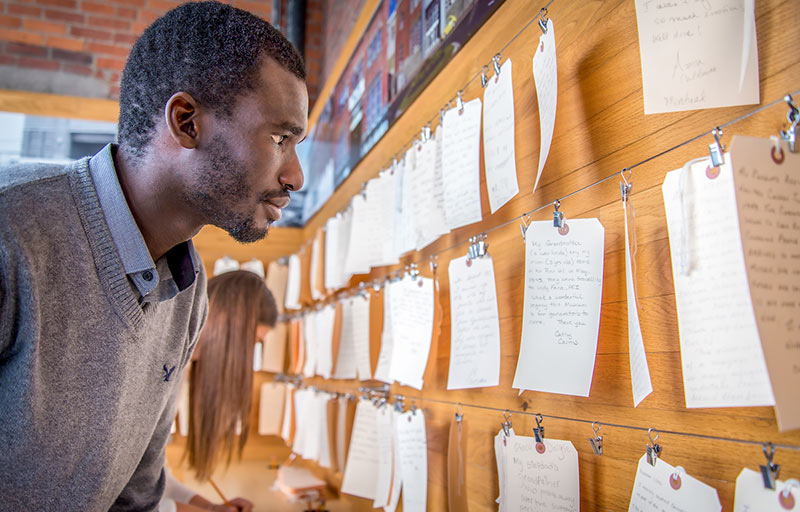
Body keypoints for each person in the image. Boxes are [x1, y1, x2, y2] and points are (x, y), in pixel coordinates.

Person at [0, 1, 306, 510]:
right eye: (279, 138)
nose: (295, 176)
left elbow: (135, 492)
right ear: (187, 122)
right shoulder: (14, 229)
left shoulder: (189, 291)